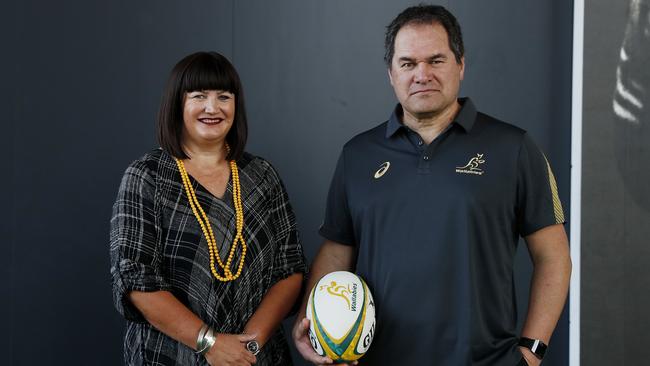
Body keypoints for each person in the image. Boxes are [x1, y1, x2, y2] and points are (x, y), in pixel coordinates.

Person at [292, 5, 571, 366]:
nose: (422, 74)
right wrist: (310, 323)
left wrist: (532, 351)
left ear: (461, 65)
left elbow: (554, 256)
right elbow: (335, 252)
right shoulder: (357, 155)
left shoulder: (513, 148)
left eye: (436, 60)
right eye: (408, 63)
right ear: (391, 74)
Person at [110, 51, 306, 366]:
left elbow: (290, 268)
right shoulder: (146, 176)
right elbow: (136, 279)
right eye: (199, 96)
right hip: (168, 357)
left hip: (255, 358)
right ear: (177, 104)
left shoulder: (262, 176)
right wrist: (210, 344)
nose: (212, 108)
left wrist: (249, 347)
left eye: (223, 97)